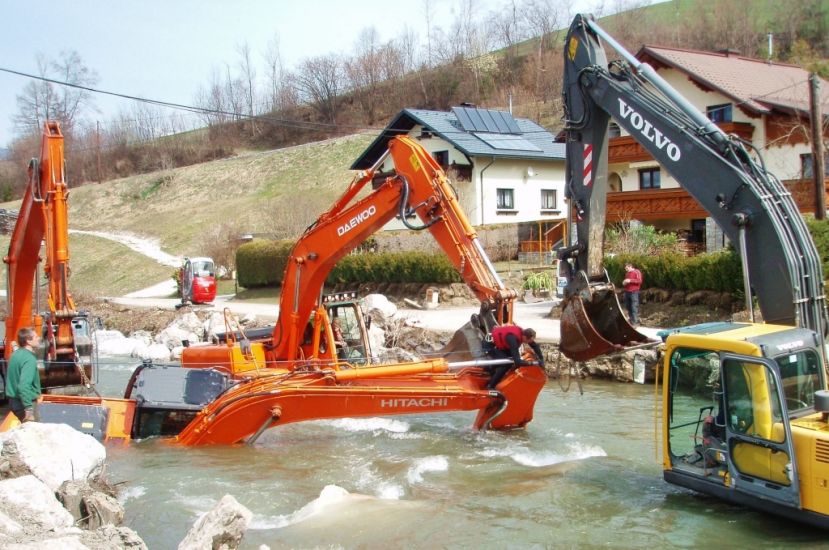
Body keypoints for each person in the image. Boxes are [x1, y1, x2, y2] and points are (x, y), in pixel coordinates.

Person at [484, 325, 545, 390]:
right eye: (528, 341)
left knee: (510, 360)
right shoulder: (513, 339)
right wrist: (534, 363)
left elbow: (535, 346)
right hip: (489, 345)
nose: (528, 343)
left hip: (502, 344)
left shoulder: (524, 334)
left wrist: (541, 359)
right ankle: (490, 385)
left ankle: (493, 372)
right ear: (524, 337)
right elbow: (518, 362)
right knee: (506, 364)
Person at [6, 327, 41, 422]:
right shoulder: (29, 359)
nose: (38, 338)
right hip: (24, 403)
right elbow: (23, 386)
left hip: (14, 401)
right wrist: (29, 409)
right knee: (34, 433)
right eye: (36, 337)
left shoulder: (15, 354)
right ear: (28, 341)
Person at [622, 262, 643, 326]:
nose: (626, 270)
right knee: (628, 307)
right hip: (627, 292)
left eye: (627, 268)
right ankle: (631, 320)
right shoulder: (627, 274)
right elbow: (626, 282)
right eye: (625, 268)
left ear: (630, 266)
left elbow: (639, 281)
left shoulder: (637, 272)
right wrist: (624, 283)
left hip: (634, 292)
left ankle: (635, 322)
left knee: (634, 307)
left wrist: (630, 280)